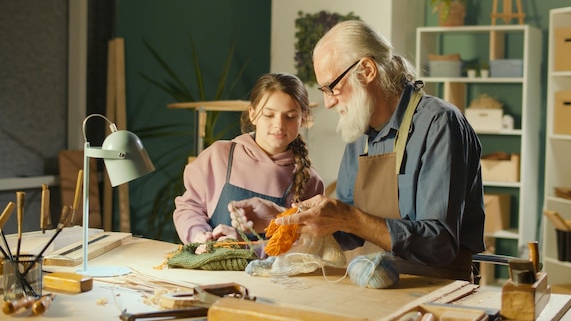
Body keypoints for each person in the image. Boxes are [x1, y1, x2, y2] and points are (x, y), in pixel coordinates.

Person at [230, 20, 485, 282]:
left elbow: (440, 244)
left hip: (435, 290)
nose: (328, 102)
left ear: (367, 70)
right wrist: (287, 220)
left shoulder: (439, 124)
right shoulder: (359, 131)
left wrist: (349, 217)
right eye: (323, 90)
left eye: (332, 87)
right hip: (369, 283)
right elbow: (347, 230)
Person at [173, 72, 325, 244]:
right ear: (252, 114)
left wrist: (245, 246)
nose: (279, 125)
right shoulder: (219, 156)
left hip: (272, 271)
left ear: (303, 118)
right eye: (269, 115)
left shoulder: (309, 180)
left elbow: (307, 243)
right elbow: (189, 208)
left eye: (290, 116)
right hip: (210, 267)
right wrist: (199, 236)